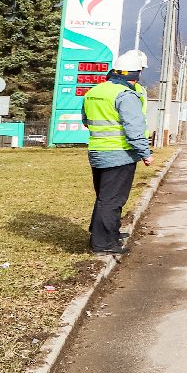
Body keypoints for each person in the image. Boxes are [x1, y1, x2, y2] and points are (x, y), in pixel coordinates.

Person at [81, 50, 153, 255]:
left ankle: (104, 234)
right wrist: (145, 153)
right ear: (136, 74)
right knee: (112, 200)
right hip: (119, 154)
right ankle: (103, 244)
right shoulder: (126, 95)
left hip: (97, 152)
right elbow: (134, 128)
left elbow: (86, 121)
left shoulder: (95, 91)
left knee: (104, 197)